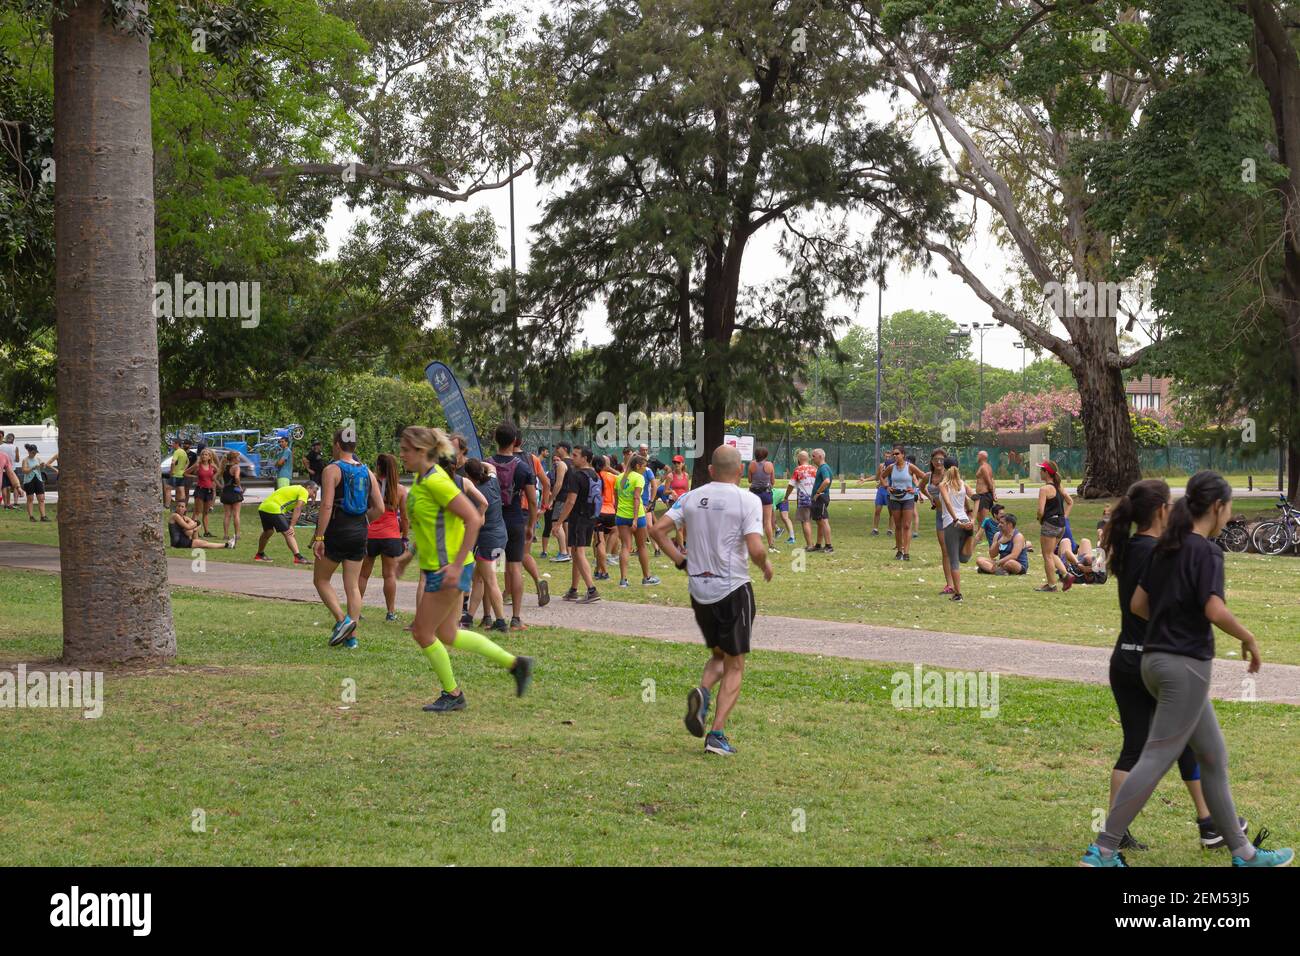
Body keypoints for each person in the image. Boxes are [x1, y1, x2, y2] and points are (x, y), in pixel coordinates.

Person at [1081, 471, 1293, 868]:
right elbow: (1213, 609)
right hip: (1185, 667)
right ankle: (1103, 851)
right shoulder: (1205, 551)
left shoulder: (1166, 548)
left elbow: (1140, 605)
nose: (1231, 515)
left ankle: (1242, 852)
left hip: (1153, 662)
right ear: (1217, 507)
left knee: (1212, 755)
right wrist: (1247, 637)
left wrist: (1170, 618)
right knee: (1157, 755)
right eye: (1229, 508)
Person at [1097, 478, 1234, 853]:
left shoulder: (1133, 546)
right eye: (1170, 503)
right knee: (1160, 748)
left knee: (1157, 745)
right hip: (1153, 658)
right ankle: (1113, 837)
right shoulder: (1156, 551)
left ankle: (1209, 823)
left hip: (1126, 656)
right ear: (1161, 510)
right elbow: (1158, 603)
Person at [393, 425, 533, 713]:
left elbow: (473, 518)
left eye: (406, 450)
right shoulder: (420, 483)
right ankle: (516, 664)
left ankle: (452, 692)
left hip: (447, 570)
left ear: (422, 451)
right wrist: (409, 554)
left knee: (422, 632)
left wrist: (456, 566)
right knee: (448, 635)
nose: (401, 454)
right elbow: (427, 526)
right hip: (442, 568)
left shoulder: (437, 482)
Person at [649, 444, 772, 756]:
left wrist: (680, 560)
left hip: (699, 591)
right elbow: (756, 547)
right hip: (733, 589)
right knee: (736, 664)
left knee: (719, 655)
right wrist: (765, 565)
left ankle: (703, 693)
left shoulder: (692, 496)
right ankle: (716, 735)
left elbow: (657, 530)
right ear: (741, 471)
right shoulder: (748, 500)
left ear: (712, 471)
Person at [313, 430, 386, 649]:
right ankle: (352, 638)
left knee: (321, 580)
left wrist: (319, 536)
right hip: (359, 530)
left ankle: (342, 620)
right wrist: (363, 522)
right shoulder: (366, 471)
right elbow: (380, 508)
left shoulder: (332, 470)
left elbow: (326, 505)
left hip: (337, 529)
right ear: (353, 446)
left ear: (337, 444)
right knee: (352, 586)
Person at [488, 422, 544, 631]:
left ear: (496, 439)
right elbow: (531, 501)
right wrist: (531, 524)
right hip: (514, 521)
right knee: (514, 567)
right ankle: (516, 618)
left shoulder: (486, 465)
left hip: (493, 523)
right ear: (515, 441)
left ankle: (490, 616)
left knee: (492, 568)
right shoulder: (522, 467)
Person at [359, 453, 409, 624]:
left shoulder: (369, 485)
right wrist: (405, 538)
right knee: (389, 576)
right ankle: (390, 612)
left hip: (369, 533)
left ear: (378, 467)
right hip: (391, 535)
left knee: (363, 575)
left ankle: (356, 610)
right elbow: (405, 518)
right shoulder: (400, 490)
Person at [462, 457, 509, 632]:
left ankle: (501, 621)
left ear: (468, 475)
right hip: (501, 538)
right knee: (479, 578)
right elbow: (491, 467)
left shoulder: (476, 494)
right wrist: (477, 461)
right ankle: (469, 617)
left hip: (487, 541)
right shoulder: (493, 482)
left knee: (491, 581)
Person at [556, 445, 602, 604]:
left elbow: (570, 501)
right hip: (590, 517)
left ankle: (591, 589)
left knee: (578, 553)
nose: (572, 458)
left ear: (585, 459)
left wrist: (559, 523)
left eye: (575, 455)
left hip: (578, 518)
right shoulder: (595, 475)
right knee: (576, 553)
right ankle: (574, 590)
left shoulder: (576, 475)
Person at [615, 453, 659, 587]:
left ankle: (623, 580)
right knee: (642, 546)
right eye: (644, 466)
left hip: (621, 516)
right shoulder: (639, 478)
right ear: (638, 466)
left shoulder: (619, 477)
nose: (646, 469)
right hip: (637, 517)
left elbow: (616, 498)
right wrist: (634, 520)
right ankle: (647, 577)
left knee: (625, 546)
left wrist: (619, 511)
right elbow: (636, 498)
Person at [936, 460, 976, 601]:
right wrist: (973, 519)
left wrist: (955, 520)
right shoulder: (962, 484)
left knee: (954, 561)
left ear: (945, 469)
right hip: (966, 521)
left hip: (952, 524)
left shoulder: (943, 485)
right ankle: (972, 536)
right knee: (964, 558)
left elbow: (946, 502)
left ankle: (958, 593)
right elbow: (977, 498)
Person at [885, 445, 928, 562]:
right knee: (898, 526)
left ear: (903, 454)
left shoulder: (910, 467)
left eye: (897, 453)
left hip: (908, 498)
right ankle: (899, 551)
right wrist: (886, 486)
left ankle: (907, 552)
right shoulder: (891, 467)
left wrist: (916, 489)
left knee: (907, 525)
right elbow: (882, 476)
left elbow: (924, 477)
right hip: (894, 499)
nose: (895, 456)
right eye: (894, 454)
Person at [254, 481, 314, 564]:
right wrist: (292, 525)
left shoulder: (296, 488)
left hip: (263, 507)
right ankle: (298, 557)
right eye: (313, 491)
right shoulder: (304, 491)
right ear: (308, 487)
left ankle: (260, 554)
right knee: (288, 532)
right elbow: (298, 508)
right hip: (274, 508)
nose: (313, 495)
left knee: (268, 531)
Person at [1034, 460, 1071, 592]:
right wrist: (1064, 517)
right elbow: (1070, 502)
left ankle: (1051, 585)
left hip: (1050, 524)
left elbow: (1040, 510)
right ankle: (1066, 576)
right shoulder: (1059, 487)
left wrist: (1039, 519)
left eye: (1041, 470)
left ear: (1046, 473)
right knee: (1050, 553)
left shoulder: (1044, 489)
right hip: (1061, 525)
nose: (1039, 472)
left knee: (1047, 555)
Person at [924, 448, 951, 587]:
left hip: (952, 515)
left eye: (941, 459)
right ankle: (949, 584)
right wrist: (931, 499)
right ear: (932, 461)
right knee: (945, 550)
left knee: (956, 550)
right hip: (940, 515)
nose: (939, 462)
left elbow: (962, 491)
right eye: (936, 459)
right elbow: (921, 487)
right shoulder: (928, 476)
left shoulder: (949, 475)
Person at [543, 442, 570, 562]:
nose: (556, 451)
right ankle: (568, 552)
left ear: (564, 449)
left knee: (556, 524)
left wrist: (551, 499)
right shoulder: (575, 463)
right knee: (566, 525)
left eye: (557, 448)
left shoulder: (562, 464)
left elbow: (558, 484)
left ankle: (563, 553)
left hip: (562, 498)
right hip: (572, 498)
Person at [169, 502, 236, 550]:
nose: (180, 508)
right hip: (178, 543)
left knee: (202, 541)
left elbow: (191, 527)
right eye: (179, 506)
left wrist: (195, 527)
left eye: (182, 507)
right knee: (204, 543)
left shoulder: (184, 517)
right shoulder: (175, 516)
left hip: (183, 541)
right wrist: (196, 524)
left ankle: (228, 545)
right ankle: (227, 545)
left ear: (185, 509)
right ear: (176, 507)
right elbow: (188, 527)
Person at [747, 446, 777, 551]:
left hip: (754, 494)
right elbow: (773, 482)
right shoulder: (769, 465)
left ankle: (754, 545)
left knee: (753, 520)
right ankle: (771, 545)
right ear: (766, 455)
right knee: (767, 521)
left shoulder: (751, 464)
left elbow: (749, 480)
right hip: (766, 493)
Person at [184, 448, 219, 537]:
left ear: (209, 457)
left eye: (206, 454)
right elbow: (185, 473)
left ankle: (206, 532)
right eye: (203, 454)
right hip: (200, 490)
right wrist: (195, 476)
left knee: (206, 512)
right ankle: (192, 530)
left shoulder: (213, 466)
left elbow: (218, 473)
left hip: (209, 491)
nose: (204, 456)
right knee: (197, 512)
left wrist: (214, 480)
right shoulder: (197, 465)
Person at [18, 444, 55, 523]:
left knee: (41, 499)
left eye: (35, 452)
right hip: (29, 481)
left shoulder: (38, 459)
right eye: (33, 452)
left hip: (38, 479)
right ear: (29, 451)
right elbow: (24, 470)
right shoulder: (25, 460)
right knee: (30, 499)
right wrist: (32, 468)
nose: (34, 454)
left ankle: (43, 516)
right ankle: (31, 516)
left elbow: (42, 467)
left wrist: (42, 466)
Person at [809, 448, 834, 553]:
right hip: (819, 498)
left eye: (813, 456)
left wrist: (818, 493)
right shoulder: (821, 467)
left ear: (820, 456)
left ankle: (829, 546)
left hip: (821, 498)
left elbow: (827, 481)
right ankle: (818, 545)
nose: (812, 458)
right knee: (819, 521)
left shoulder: (823, 468)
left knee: (823, 521)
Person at [790, 450, 816, 549]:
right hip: (814, 498)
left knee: (805, 521)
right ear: (808, 458)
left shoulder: (798, 470)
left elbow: (791, 484)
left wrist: (786, 496)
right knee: (816, 521)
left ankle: (809, 545)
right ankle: (816, 544)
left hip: (803, 499)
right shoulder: (815, 469)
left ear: (799, 459)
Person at [218, 450, 245, 543]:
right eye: (238, 458)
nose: (239, 459)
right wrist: (239, 486)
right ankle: (237, 534)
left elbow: (214, 478)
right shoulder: (236, 467)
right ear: (234, 459)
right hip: (234, 491)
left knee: (227, 515)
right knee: (236, 514)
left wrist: (221, 486)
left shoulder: (224, 467)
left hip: (226, 492)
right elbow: (237, 478)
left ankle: (225, 535)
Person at [973, 450, 997, 528]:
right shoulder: (987, 466)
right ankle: (980, 538)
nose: (977, 457)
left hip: (984, 496)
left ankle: (980, 539)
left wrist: (993, 494)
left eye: (978, 455)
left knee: (982, 522)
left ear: (981, 457)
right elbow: (992, 480)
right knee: (980, 520)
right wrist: (993, 494)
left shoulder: (983, 467)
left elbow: (990, 482)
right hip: (983, 496)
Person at [871, 453, 892, 537]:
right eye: (886, 456)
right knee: (877, 510)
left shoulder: (893, 467)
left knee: (891, 512)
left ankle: (890, 530)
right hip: (881, 490)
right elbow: (877, 477)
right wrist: (865, 479)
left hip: (889, 490)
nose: (887, 458)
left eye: (889, 456)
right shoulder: (881, 466)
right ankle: (875, 529)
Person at [164, 437, 189, 509]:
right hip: (181, 474)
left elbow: (173, 462)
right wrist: (184, 470)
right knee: (181, 490)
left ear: (177, 444)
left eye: (173, 443)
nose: (172, 445)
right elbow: (188, 462)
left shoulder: (177, 452)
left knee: (168, 489)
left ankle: (167, 505)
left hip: (175, 474)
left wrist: (171, 471)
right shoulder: (184, 452)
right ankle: (182, 506)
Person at [0, 433, 19, 510]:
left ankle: (5, 504)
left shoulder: (1, 447)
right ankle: (15, 502)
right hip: (12, 469)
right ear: (13, 440)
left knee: (4, 487)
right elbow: (17, 459)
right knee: (14, 487)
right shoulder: (15, 447)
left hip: (3, 470)